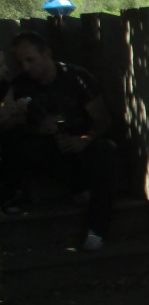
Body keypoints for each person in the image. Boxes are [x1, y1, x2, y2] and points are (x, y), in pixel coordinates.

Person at [1, 33, 117, 247]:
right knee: (25, 148)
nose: (26, 67)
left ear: (46, 54)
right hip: (50, 151)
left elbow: (103, 121)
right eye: (20, 62)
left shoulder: (77, 78)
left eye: (30, 60)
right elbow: (10, 127)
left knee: (106, 151)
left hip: (84, 145)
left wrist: (84, 139)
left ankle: (97, 229)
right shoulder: (20, 85)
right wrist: (34, 125)